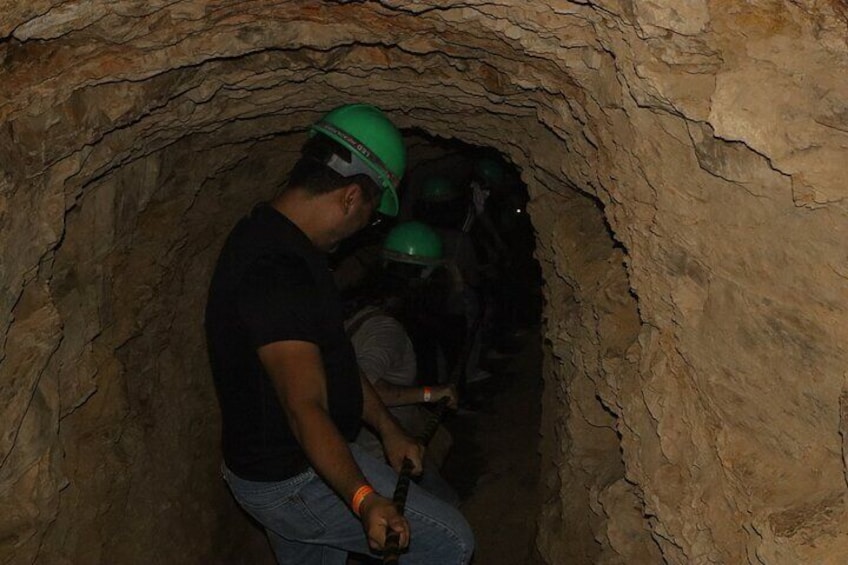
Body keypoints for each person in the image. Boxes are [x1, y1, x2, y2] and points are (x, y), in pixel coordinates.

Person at [204, 103, 474, 564]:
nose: (359, 232)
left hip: (274, 467)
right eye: (368, 217)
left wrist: (388, 431)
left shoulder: (275, 239)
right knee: (451, 541)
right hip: (290, 477)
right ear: (350, 197)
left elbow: (337, 362)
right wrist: (365, 500)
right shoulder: (277, 272)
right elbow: (303, 405)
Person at [345, 221, 460, 506]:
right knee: (448, 517)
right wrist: (428, 394)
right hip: (380, 457)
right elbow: (358, 384)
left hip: (372, 449)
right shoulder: (387, 331)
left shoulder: (362, 309)